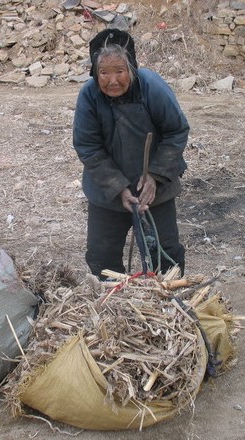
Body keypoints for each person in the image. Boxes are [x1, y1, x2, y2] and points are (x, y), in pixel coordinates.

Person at [72, 28, 189, 279]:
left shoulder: (151, 87)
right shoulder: (89, 96)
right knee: (102, 258)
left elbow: (176, 131)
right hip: (108, 193)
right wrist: (118, 187)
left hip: (154, 192)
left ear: (132, 69)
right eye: (104, 73)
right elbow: (88, 146)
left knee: (164, 258)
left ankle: (166, 309)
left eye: (119, 71)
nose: (112, 81)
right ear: (95, 72)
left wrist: (155, 176)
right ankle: (113, 306)